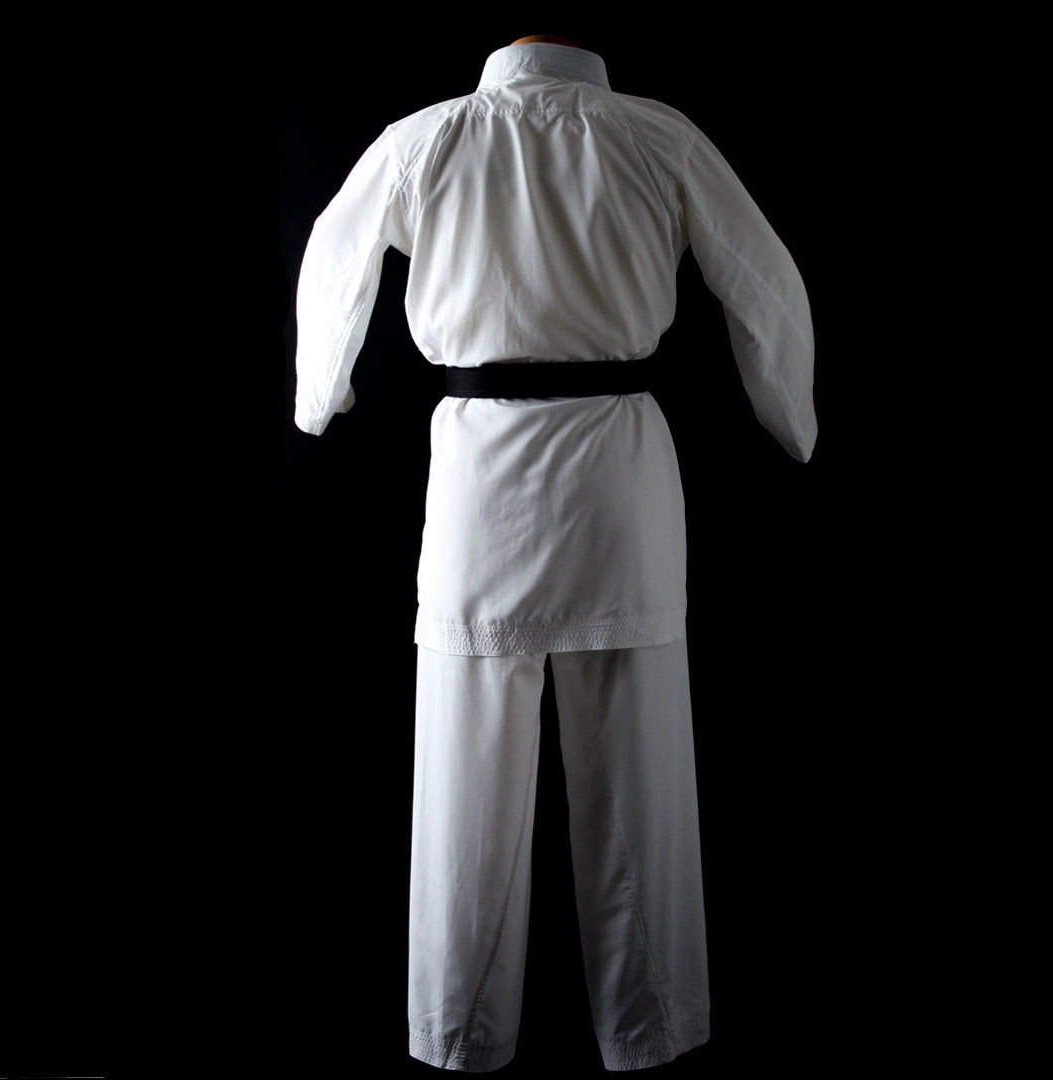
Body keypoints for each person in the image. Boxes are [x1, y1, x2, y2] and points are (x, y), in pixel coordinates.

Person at [293, 34, 816, 1072]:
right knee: (640, 770)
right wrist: (790, 415)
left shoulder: (426, 141)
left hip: (482, 479)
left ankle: (456, 1032)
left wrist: (322, 398)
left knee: (463, 771)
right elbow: (764, 280)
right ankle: (651, 1026)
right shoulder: (656, 137)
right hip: (617, 475)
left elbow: (332, 255)